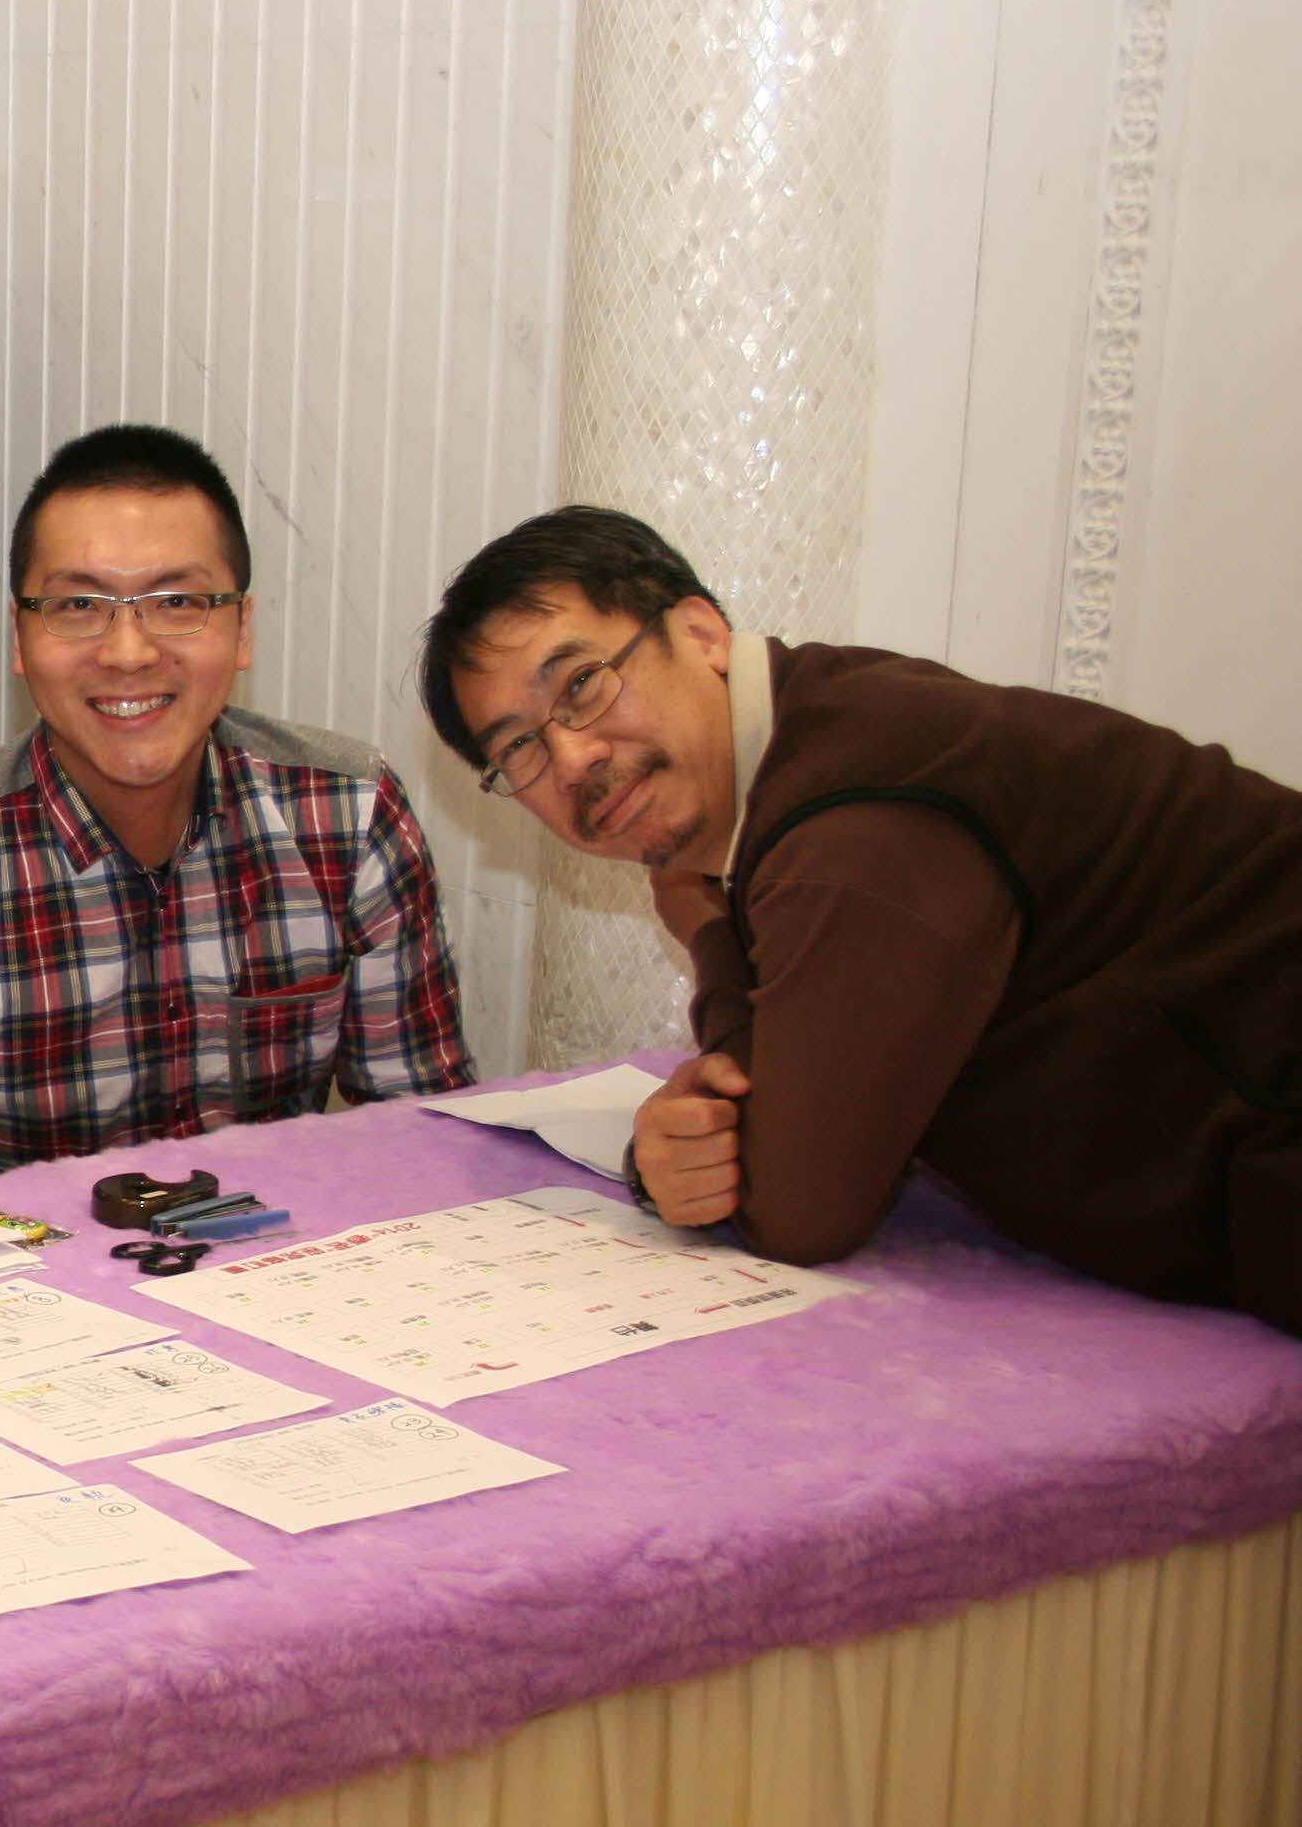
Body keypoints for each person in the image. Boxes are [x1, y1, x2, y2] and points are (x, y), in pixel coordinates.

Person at [420, 503, 1301, 1331]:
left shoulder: (854, 821)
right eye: (520, 747)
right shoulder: (821, 726)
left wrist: (706, 930)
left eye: (582, 684)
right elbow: (793, 1098)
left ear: (701, 633)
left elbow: (797, 1208)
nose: (574, 758)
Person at [0, 424, 472, 1193]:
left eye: (177, 601)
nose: (128, 652)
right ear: (20, 638)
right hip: (24, 1263)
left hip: (280, 1251)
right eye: (78, 604)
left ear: (243, 629)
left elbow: (417, 1136)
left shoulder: (349, 814)